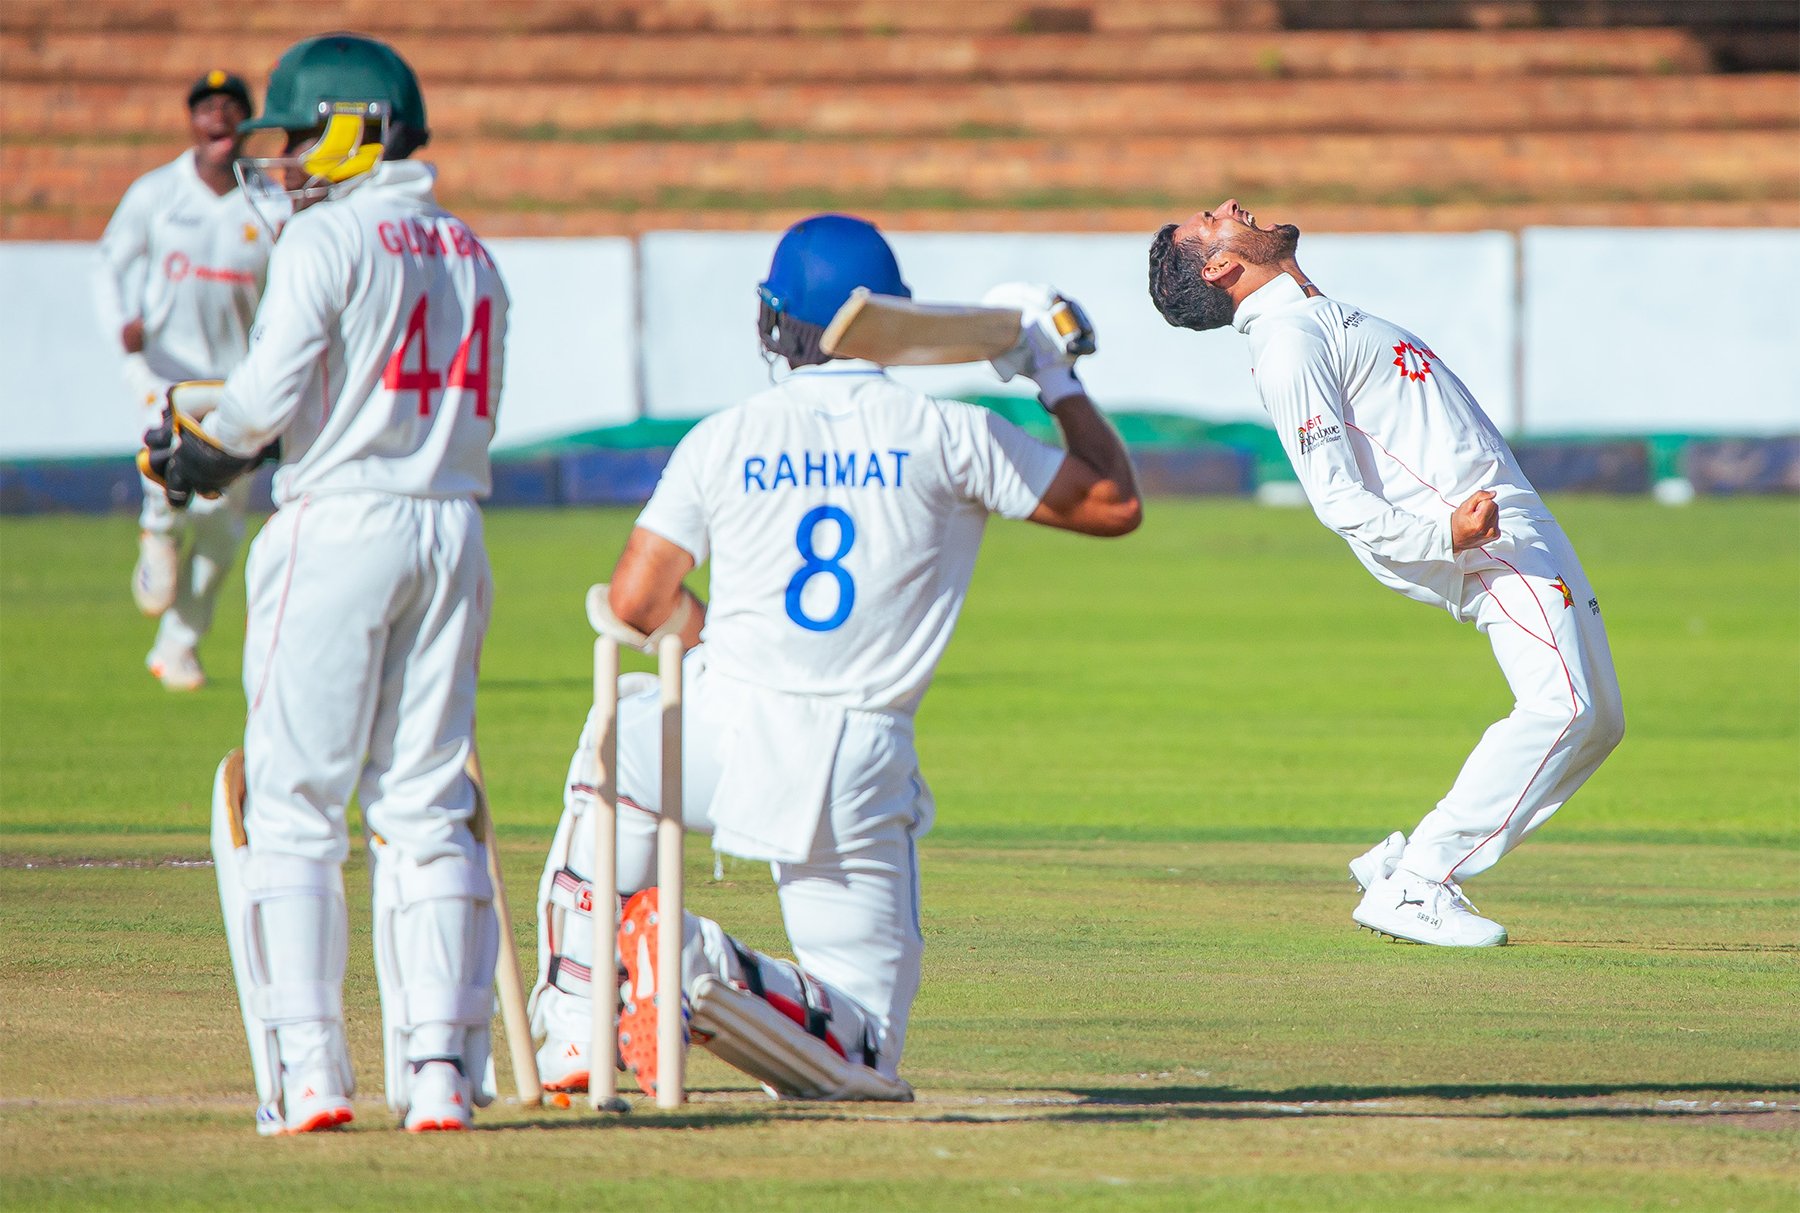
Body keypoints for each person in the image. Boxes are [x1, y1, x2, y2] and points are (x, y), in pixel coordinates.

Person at [527, 215, 1142, 1101]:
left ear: (775, 326)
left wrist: (721, 637)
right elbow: (1113, 501)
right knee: (860, 1051)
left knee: (618, 735)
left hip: (716, 722)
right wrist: (1053, 371)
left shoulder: (725, 434)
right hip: (854, 755)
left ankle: (576, 1016)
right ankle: (701, 963)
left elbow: (635, 602)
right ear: (891, 320)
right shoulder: (951, 433)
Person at [139, 33, 509, 1134]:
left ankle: (310, 1074)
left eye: (300, 136)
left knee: (295, 802)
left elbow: (258, 404)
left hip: (340, 521)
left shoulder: (329, 238)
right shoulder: (472, 247)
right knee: (427, 802)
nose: (287, 160)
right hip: (454, 524)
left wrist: (203, 454)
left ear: (357, 127)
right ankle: (437, 1072)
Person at [1148, 199, 1624, 948]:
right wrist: (1446, 531)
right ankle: (1421, 881)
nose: (1231, 206)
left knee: (1597, 717)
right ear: (1219, 266)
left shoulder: (1312, 315)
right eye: (1213, 220)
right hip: (1475, 533)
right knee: (1563, 705)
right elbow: (1335, 496)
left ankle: (1400, 865)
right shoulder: (1286, 342)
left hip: (1508, 520)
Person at [95, 69, 274, 690]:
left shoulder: (266, 200)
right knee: (165, 466)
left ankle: (177, 645)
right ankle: (157, 531)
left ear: (246, 123)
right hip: (166, 373)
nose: (218, 117)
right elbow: (109, 263)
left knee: (223, 531)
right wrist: (123, 324)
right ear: (192, 120)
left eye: (232, 108)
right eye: (207, 107)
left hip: (237, 384)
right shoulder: (157, 193)